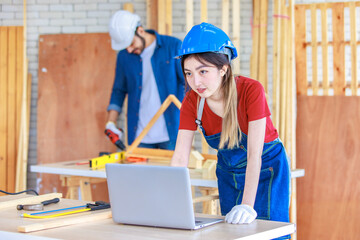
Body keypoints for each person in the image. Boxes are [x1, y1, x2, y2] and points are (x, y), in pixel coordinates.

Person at [171, 22, 290, 233]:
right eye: (188, 73)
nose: (195, 81)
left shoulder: (251, 91)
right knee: (232, 234)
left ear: (223, 69)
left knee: (269, 233)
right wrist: (169, 203)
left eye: (203, 71)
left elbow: (255, 154)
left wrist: (247, 204)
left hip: (266, 170)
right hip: (228, 174)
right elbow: (180, 158)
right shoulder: (192, 102)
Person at [106, 10, 185, 150]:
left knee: (173, 172)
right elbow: (118, 90)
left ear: (140, 30)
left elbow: (189, 84)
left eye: (131, 43)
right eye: (126, 47)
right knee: (142, 173)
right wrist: (110, 122)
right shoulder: (124, 57)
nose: (129, 50)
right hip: (140, 136)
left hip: (171, 133)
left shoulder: (173, 47)